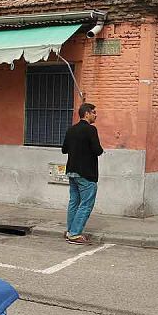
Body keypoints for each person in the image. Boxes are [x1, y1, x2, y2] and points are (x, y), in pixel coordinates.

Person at [61, 102, 104, 245]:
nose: (96, 115)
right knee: (86, 204)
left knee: (74, 202)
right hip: (86, 173)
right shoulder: (91, 130)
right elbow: (97, 150)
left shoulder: (71, 129)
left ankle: (70, 231)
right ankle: (75, 234)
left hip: (72, 171)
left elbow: (64, 149)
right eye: (94, 112)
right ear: (87, 114)